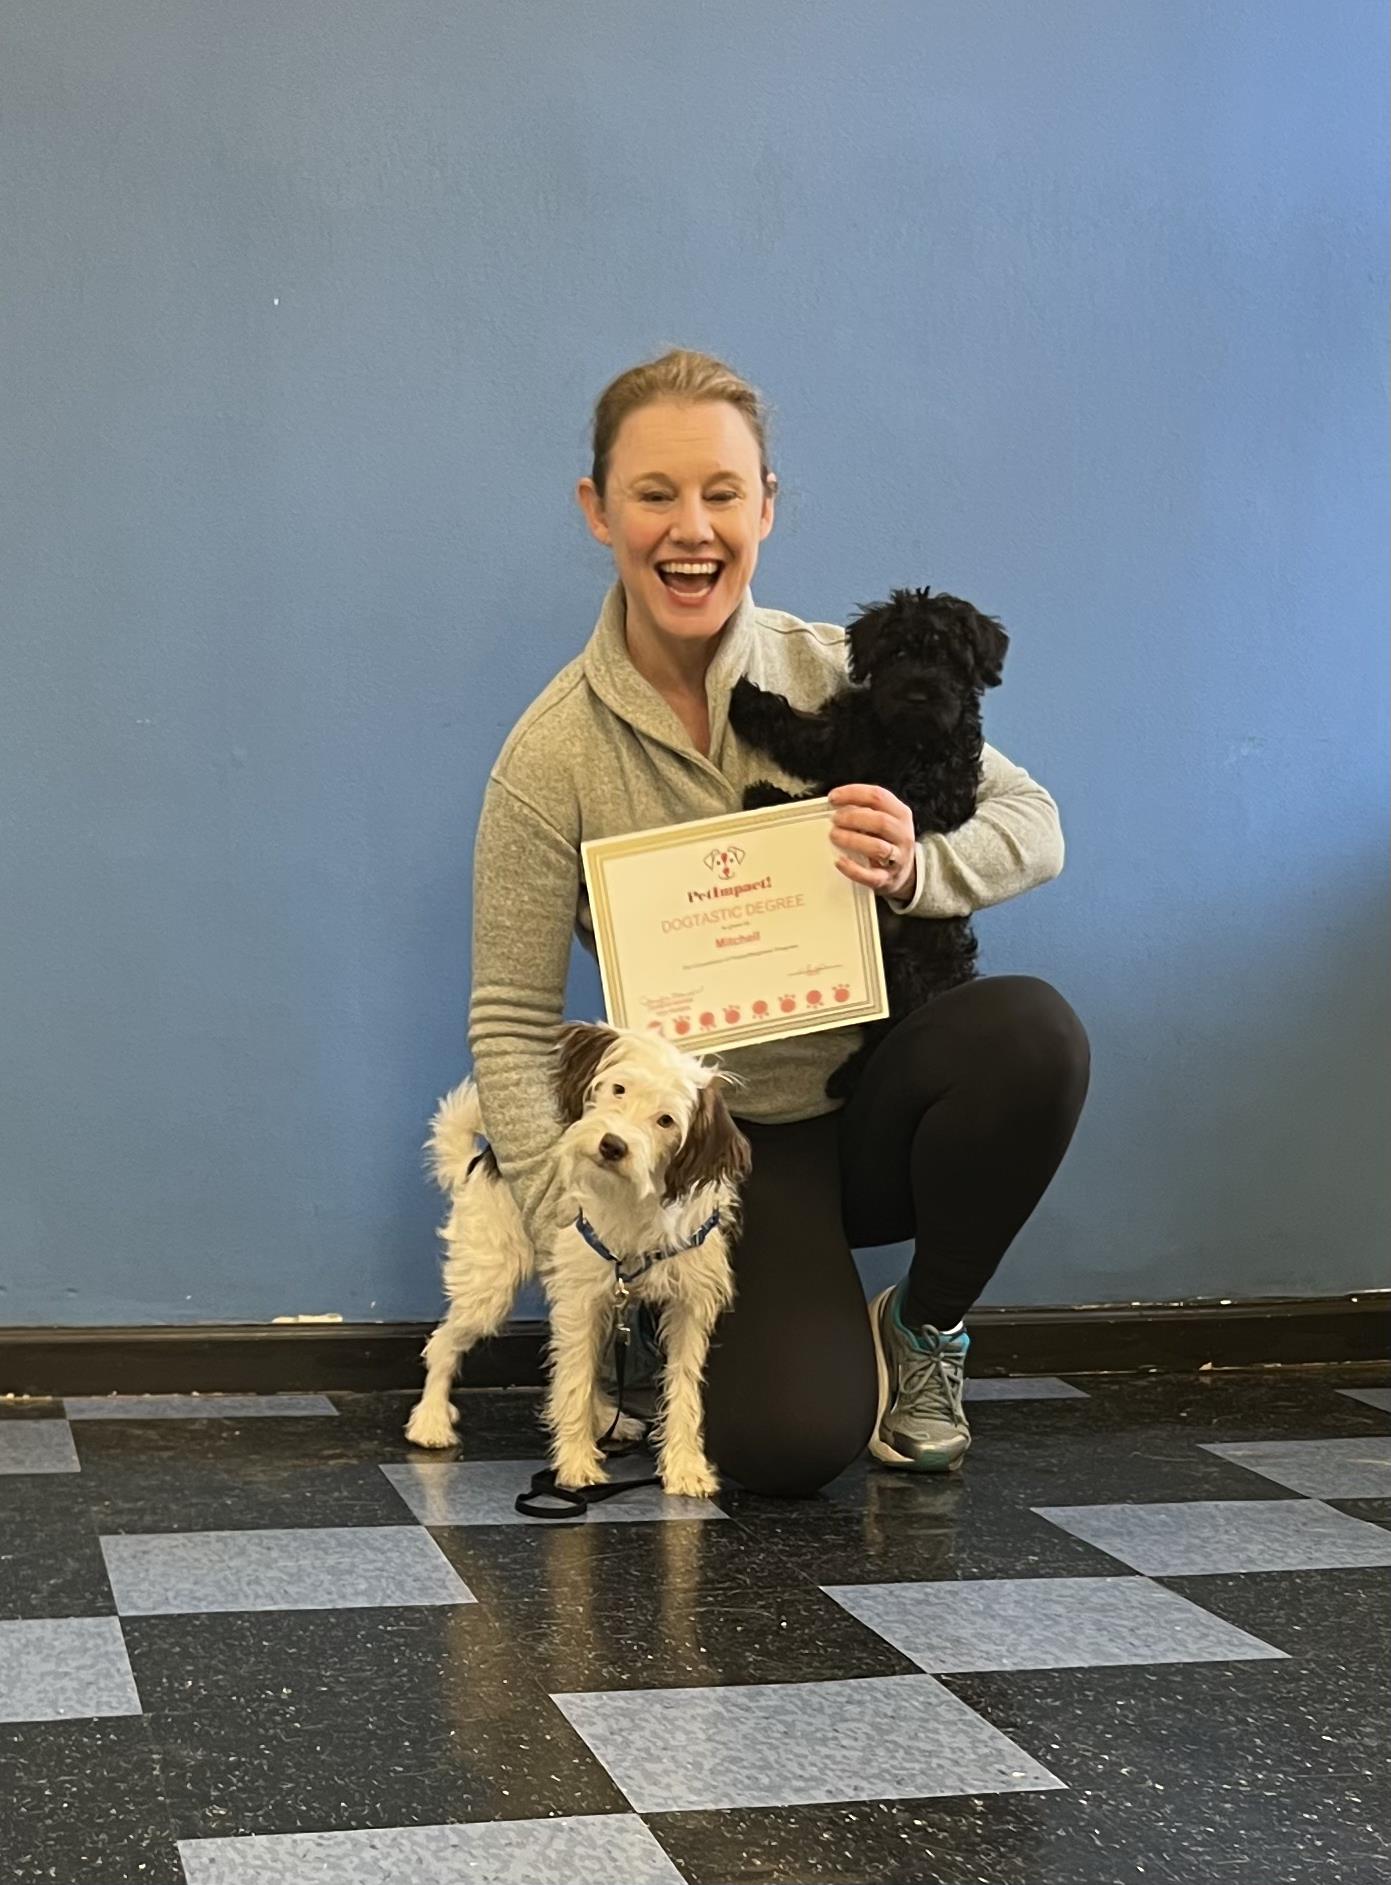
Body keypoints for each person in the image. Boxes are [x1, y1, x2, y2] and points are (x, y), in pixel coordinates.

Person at [469, 348, 1090, 1497]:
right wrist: (590, 1239)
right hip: (714, 1152)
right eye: (653, 493)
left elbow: (1036, 823)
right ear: (598, 511)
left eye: (720, 492)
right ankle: (680, 1326)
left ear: (764, 506)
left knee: (1031, 1033)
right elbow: (508, 1020)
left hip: (868, 1104)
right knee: (784, 1446)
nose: (689, 528)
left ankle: (922, 1326)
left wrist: (918, 866)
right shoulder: (549, 755)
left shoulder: (834, 673)